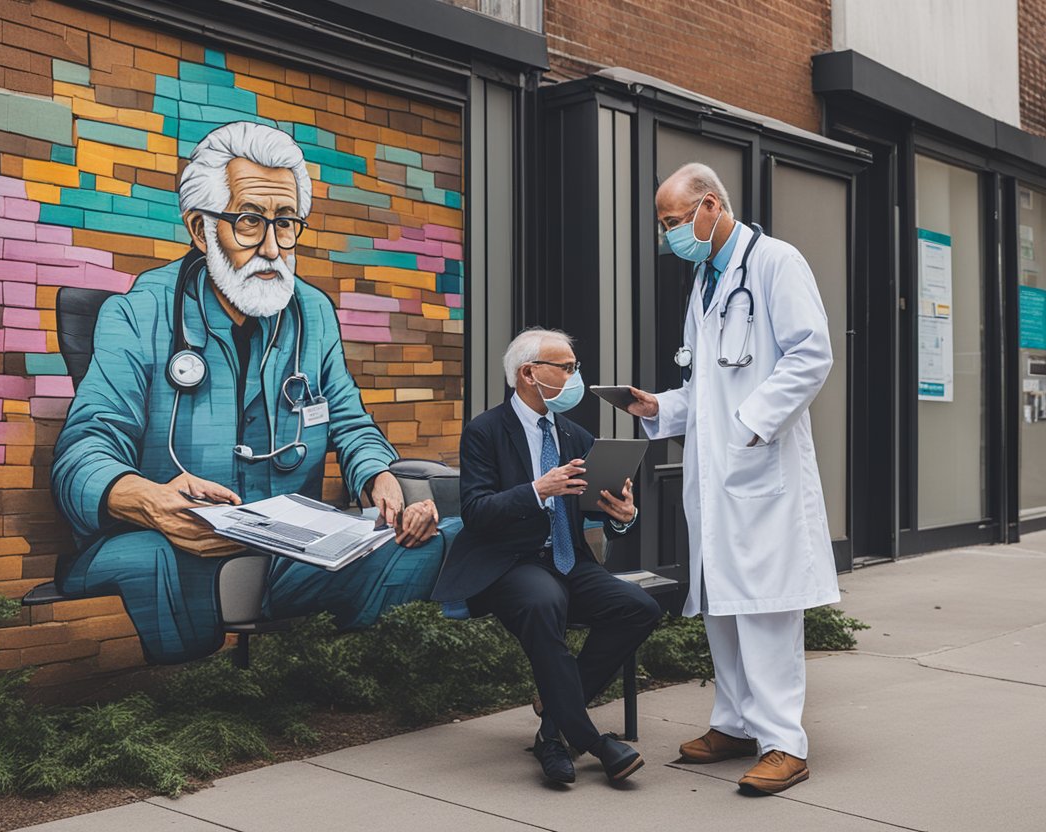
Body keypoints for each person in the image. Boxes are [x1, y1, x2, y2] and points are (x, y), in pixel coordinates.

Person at [51, 121, 448, 665]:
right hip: (174, 540)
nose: (271, 247)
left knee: (438, 536)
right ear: (200, 228)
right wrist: (148, 500)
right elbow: (85, 449)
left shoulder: (313, 315)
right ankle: (190, 704)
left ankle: (334, 679)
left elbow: (351, 424)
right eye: (248, 222)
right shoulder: (138, 313)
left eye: (286, 224)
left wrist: (377, 475)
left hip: (287, 544)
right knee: (151, 559)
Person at [625, 162, 839, 794]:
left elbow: (811, 354)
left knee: (767, 609)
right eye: (662, 225)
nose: (669, 236)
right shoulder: (706, 280)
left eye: (673, 221)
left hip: (759, 465)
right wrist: (659, 407)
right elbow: (707, 389)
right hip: (718, 477)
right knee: (722, 606)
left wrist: (751, 422)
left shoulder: (776, 263)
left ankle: (784, 742)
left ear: (710, 206)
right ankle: (736, 723)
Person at [433, 328, 661, 785]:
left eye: (575, 368)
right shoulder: (485, 431)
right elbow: (477, 513)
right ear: (528, 373)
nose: (575, 377)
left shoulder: (576, 435)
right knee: (543, 602)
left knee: (640, 610)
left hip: (568, 559)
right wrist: (538, 490)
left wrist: (622, 515)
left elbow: (596, 511)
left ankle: (552, 728)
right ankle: (591, 740)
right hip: (509, 562)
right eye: (568, 368)